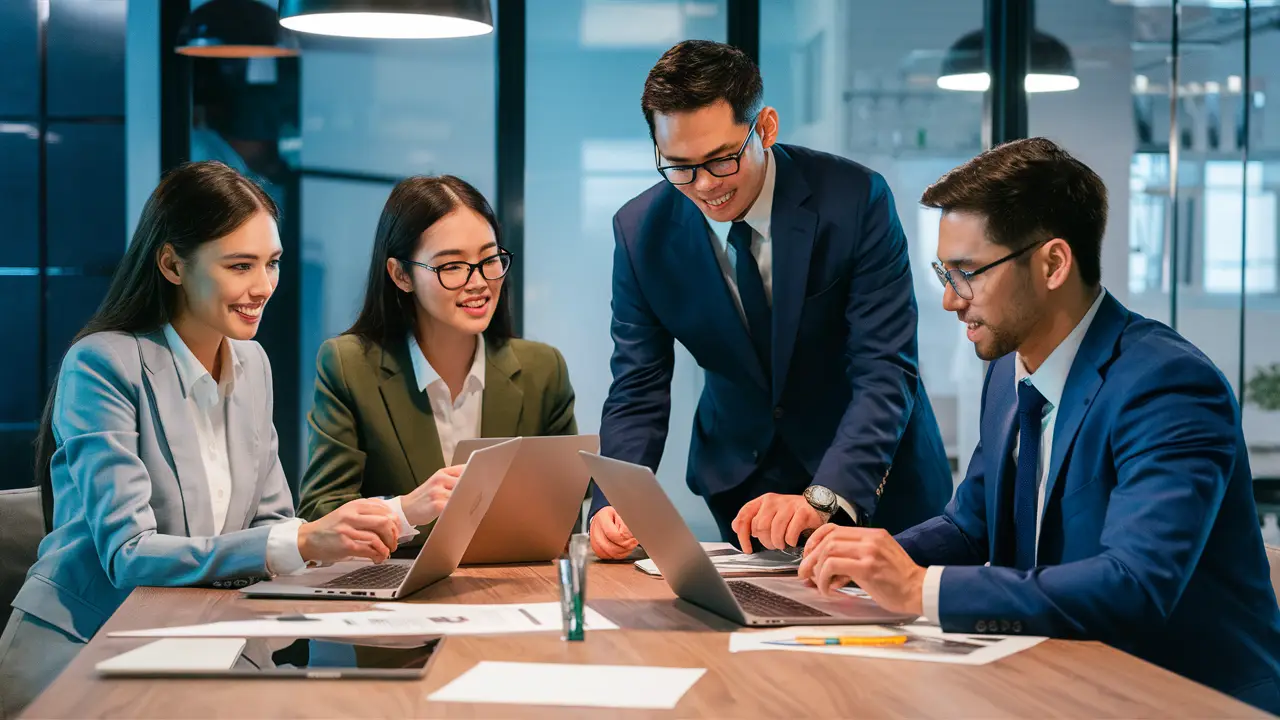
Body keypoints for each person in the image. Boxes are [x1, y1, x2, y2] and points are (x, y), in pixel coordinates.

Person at [797, 138, 1280, 713]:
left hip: (1185, 698)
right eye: (944, 272)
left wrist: (917, 588)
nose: (952, 302)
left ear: (1053, 263)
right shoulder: (1010, 369)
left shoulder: (1167, 385)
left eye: (967, 272)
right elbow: (970, 524)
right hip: (1058, 679)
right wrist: (865, 561)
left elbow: (1136, 585)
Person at [0, 162, 417, 719]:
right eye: (239, 265)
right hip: (86, 655)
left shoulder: (252, 363)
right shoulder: (103, 364)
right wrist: (300, 542)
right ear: (172, 263)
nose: (263, 286)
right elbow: (130, 554)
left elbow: (272, 524)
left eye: (271, 264)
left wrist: (396, 515)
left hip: (203, 646)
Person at [589, 40, 952, 560]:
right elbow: (637, 387)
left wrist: (826, 494)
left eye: (720, 160)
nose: (703, 186)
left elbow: (884, 369)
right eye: (678, 166)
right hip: (743, 489)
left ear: (765, 128)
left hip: (871, 483)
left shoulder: (855, 201)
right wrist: (614, 501)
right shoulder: (639, 231)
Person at [297, 175, 577, 542]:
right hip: (395, 589)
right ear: (401, 275)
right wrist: (405, 510)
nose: (478, 281)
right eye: (452, 266)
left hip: (512, 586)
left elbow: (565, 509)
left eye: (489, 259)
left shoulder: (543, 370)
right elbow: (322, 512)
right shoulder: (349, 366)